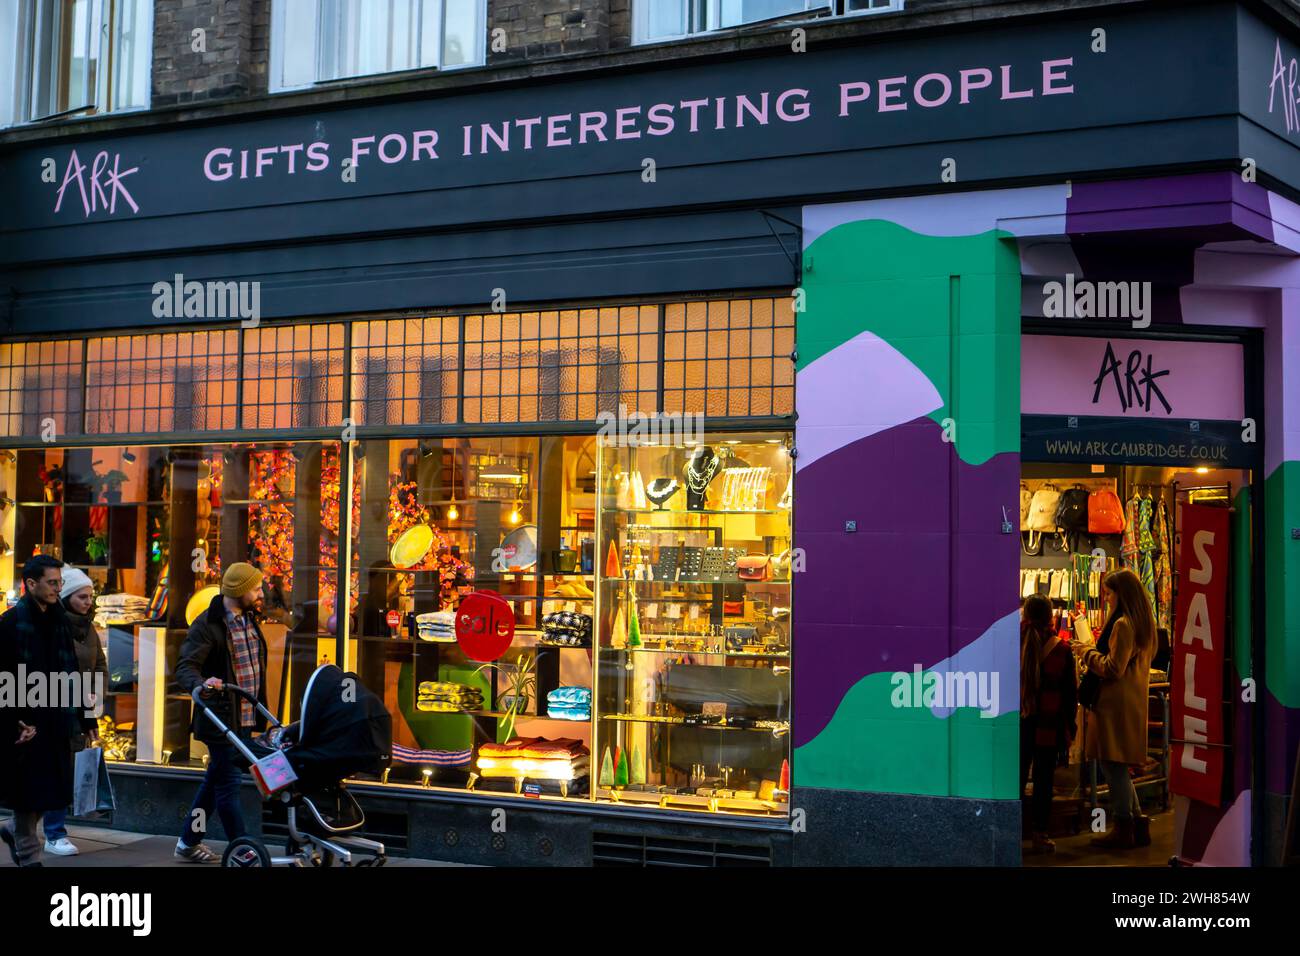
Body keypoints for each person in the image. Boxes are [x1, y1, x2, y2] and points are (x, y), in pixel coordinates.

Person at [0, 555, 95, 868]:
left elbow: (74, 671)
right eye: (52, 582)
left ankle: (15, 830)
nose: (57, 588)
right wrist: (13, 721)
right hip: (26, 719)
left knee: (54, 791)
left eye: (59, 582)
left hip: (57, 716)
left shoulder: (60, 621)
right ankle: (29, 854)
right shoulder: (12, 623)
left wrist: (86, 715)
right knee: (28, 791)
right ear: (31, 584)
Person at [173, 562, 268, 863]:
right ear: (239, 591)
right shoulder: (207, 625)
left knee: (214, 782)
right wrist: (202, 684)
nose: (261, 592)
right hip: (221, 719)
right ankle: (243, 850)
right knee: (228, 787)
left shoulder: (250, 618)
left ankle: (187, 842)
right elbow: (185, 667)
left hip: (244, 717)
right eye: (256, 588)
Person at [1071, 567, 1157, 850]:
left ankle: (1123, 827)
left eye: (1109, 593)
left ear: (1122, 594)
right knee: (1118, 765)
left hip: (1114, 705)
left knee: (1112, 765)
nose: (1106, 599)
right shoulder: (1144, 623)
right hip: (1128, 704)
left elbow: (1113, 668)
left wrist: (1085, 651)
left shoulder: (1122, 625)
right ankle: (1136, 822)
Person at [41, 567, 107, 856]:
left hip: (80, 708)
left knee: (66, 770)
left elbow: (100, 666)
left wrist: (93, 704)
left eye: (90, 596)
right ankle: (52, 833)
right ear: (67, 597)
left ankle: (53, 830)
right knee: (53, 769)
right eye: (82, 596)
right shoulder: (54, 627)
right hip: (52, 707)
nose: (88, 601)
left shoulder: (89, 628)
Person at [1020, 594, 1077, 855]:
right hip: (1048, 725)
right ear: (1050, 617)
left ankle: (1011, 831)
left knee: (1015, 779)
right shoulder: (1061, 649)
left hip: (1018, 723)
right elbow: (1069, 695)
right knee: (1044, 781)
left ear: (1025, 615)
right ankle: (1040, 834)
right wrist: (1071, 727)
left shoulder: (1012, 643)